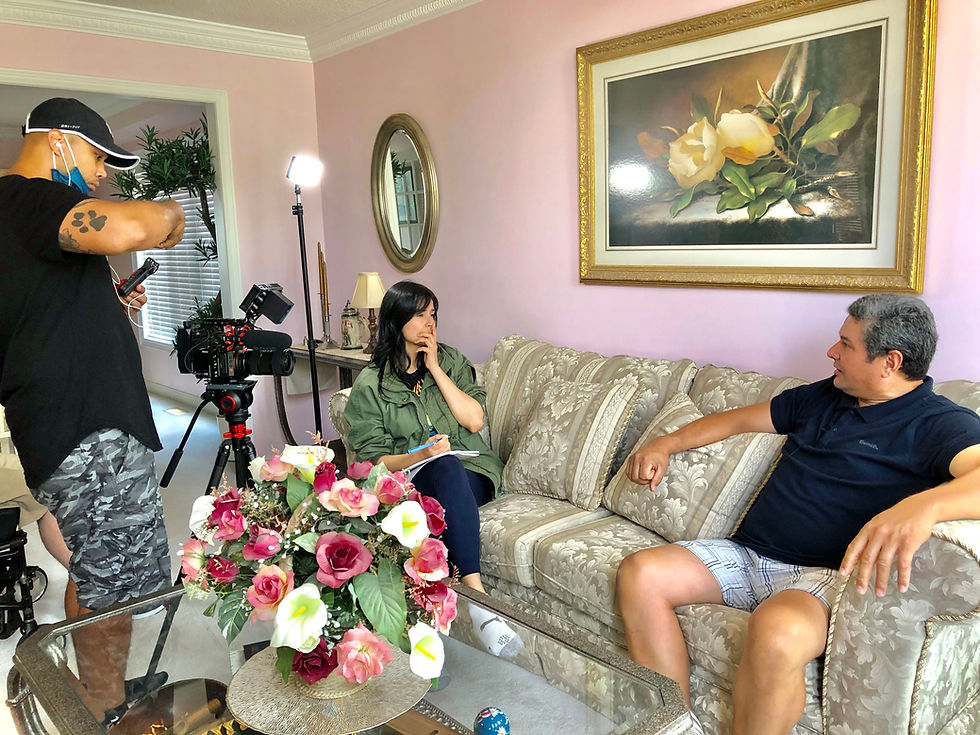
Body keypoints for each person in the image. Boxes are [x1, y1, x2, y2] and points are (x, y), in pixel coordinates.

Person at [617, 294, 980, 735]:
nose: (832, 352)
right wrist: (665, 443)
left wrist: (922, 506)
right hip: (748, 557)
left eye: (845, 345)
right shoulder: (825, 397)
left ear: (890, 362)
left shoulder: (939, 422)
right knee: (640, 573)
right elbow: (735, 422)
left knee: (778, 630)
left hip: (822, 577)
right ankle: (673, 726)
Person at [0, 97, 186, 724]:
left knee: (102, 571)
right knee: (114, 587)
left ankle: (97, 695)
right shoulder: (26, 197)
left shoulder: (23, 219)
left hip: (82, 421)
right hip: (85, 428)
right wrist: (168, 214)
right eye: (97, 157)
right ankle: (103, 711)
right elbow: (128, 228)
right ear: (58, 142)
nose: (103, 174)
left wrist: (109, 305)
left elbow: (43, 313)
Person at [344, 281, 521, 656]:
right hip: (412, 477)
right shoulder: (370, 386)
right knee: (437, 480)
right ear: (397, 320)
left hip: (473, 474)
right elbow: (371, 460)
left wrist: (436, 369)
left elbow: (474, 422)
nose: (430, 324)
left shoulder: (452, 361)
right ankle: (465, 606)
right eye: (420, 315)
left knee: (448, 473)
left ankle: (473, 601)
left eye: (433, 315)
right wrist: (417, 455)